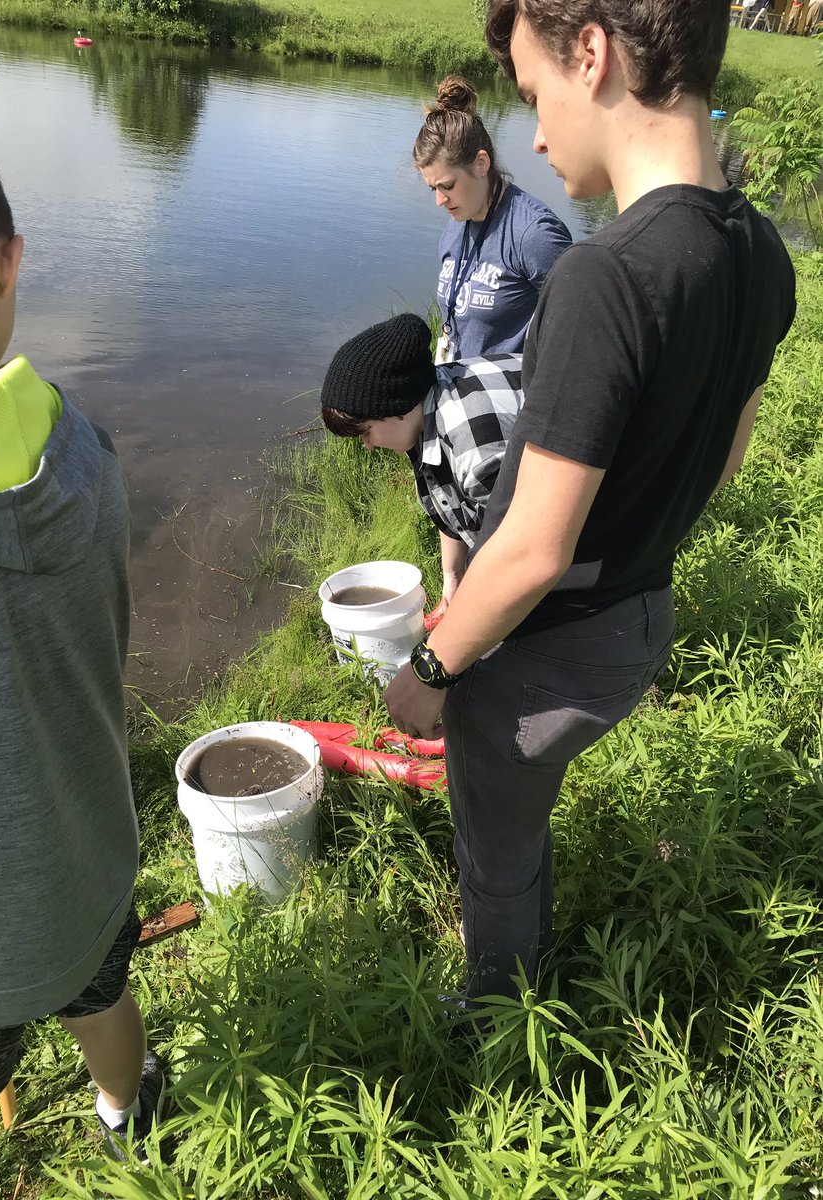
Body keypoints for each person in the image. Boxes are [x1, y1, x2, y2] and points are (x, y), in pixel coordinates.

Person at [383, 0, 796, 1005]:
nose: (532, 131)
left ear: (593, 54)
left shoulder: (603, 279)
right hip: (641, 620)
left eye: (533, 93)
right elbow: (725, 463)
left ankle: (497, 1018)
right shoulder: (762, 254)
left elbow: (528, 550)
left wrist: (432, 669)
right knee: (524, 814)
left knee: (499, 850)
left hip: (546, 642)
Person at [0, 108, 164, 1199]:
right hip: (86, 867)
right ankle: (131, 1114)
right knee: (103, 997)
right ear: (10, 258)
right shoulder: (91, 454)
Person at [321, 313, 523, 619]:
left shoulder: (475, 453)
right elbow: (451, 506)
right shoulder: (425, 396)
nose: (368, 445)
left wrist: (451, 643)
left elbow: (523, 556)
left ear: (395, 409)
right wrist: (452, 583)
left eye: (366, 432)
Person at [413, 75, 571, 363]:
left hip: (511, 402)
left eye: (447, 186)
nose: (439, 200)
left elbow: (580, 329)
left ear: (481, 163)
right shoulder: (457, 223)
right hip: (461, 396)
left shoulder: (534, 234)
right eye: (432, 188)